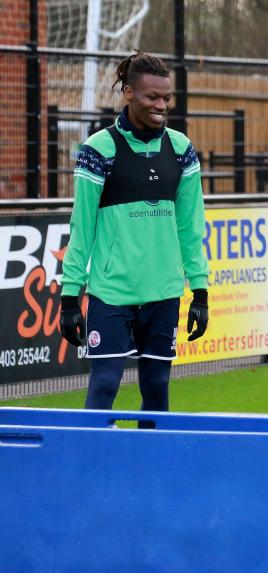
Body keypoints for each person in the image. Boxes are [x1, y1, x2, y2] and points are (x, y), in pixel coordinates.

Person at [58, 51, 209, 412]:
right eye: (151, 97)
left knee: (156, 390)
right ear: (128, 93)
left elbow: (191, 228)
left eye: (166, 98)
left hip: (164, 292)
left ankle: (150, 467)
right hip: (112, 292)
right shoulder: (98, 149)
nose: (161, 105)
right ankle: (90, 464)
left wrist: (200, 291)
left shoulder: (182, 149)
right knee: (105, 384)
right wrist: (69, 297)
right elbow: (82, 229)